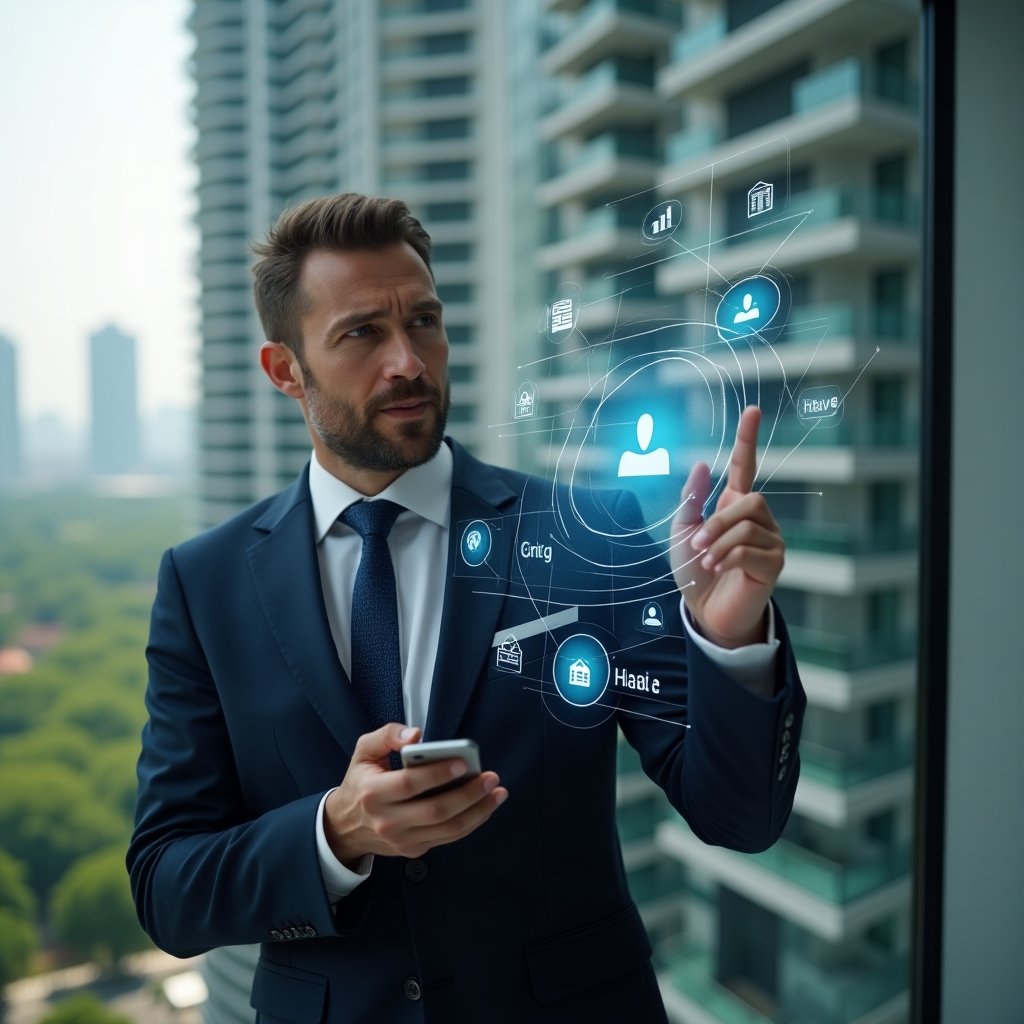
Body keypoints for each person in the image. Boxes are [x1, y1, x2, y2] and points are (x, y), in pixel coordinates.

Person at [127, 193, 805, 1024]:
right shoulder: (206, 584)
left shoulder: (591, 534)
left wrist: (728, 633)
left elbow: (740, 816)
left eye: (425, 322)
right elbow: (167, 887)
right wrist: (335, 833)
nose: (409, 361)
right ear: (285, 370)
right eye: (362, 333)